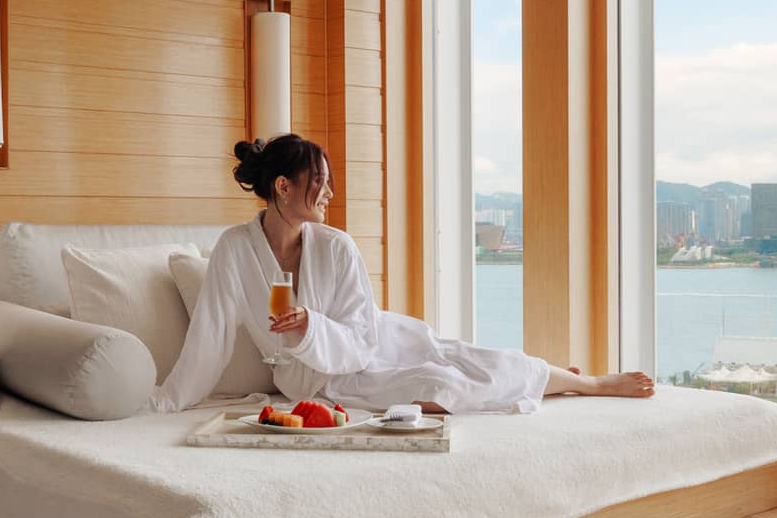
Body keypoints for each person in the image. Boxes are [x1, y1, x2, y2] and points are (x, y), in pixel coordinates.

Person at [149, 134, 654, 413]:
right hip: (320, 380)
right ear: (283, 186)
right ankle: (550, 380)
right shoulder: (236, 250)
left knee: (467, 358)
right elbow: (209, 338)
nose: (329, 193)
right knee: (439, 385)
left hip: (372, 343)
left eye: (329, 182)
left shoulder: (337, 246)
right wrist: (165, 403)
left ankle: (587, 384)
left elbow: (362, 332)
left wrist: (311, 327)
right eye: (319, 182)